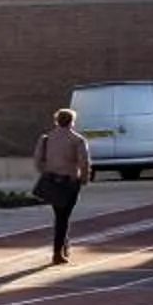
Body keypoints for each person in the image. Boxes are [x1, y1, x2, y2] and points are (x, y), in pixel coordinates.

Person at [33, 107, 93, 265]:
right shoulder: (77, 140)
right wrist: (84, 178)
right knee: (63, 217)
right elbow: (84, 162)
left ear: (56, 121)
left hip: (52, 180)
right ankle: (58, 252)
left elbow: (38, 160)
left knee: (59, 215)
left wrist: (46, 171)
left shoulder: (46, 138)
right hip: (69, 181)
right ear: (72, 122)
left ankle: (62, 247)